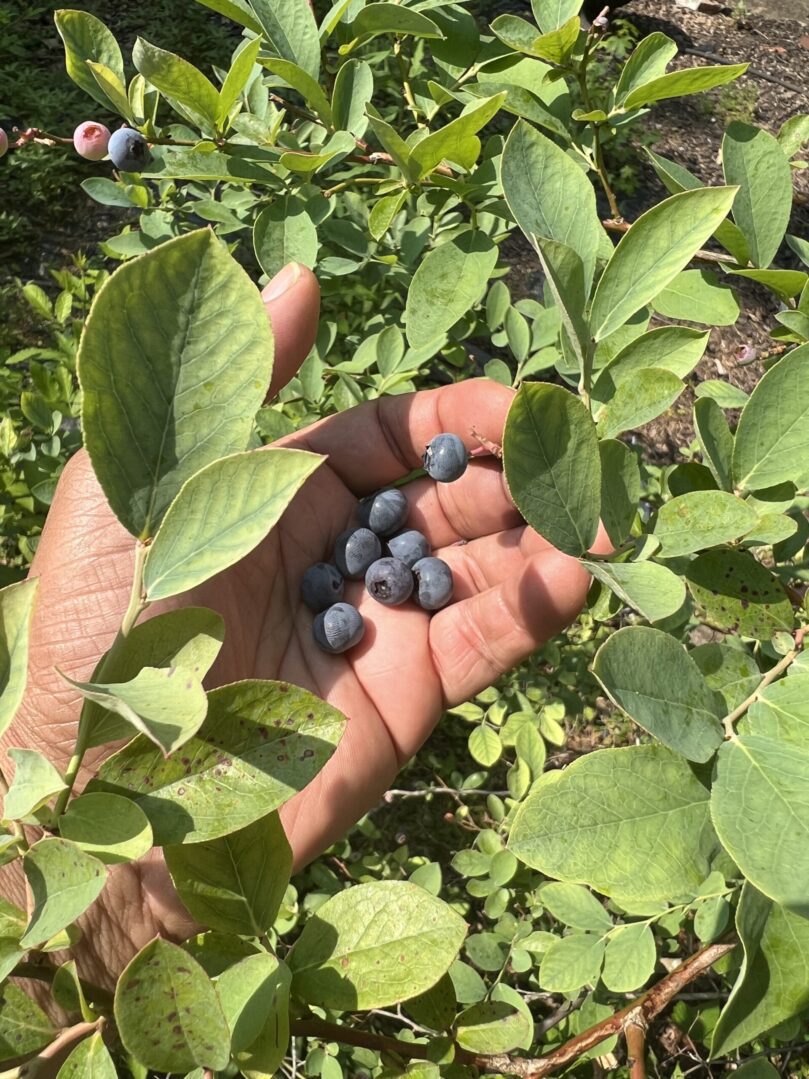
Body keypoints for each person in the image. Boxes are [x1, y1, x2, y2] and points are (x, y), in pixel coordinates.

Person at [1, 263, 597, 991]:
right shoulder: (329, 580)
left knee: (533, 561)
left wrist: (87, 896)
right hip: (177, 773)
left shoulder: (366, 573)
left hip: (278, 685)